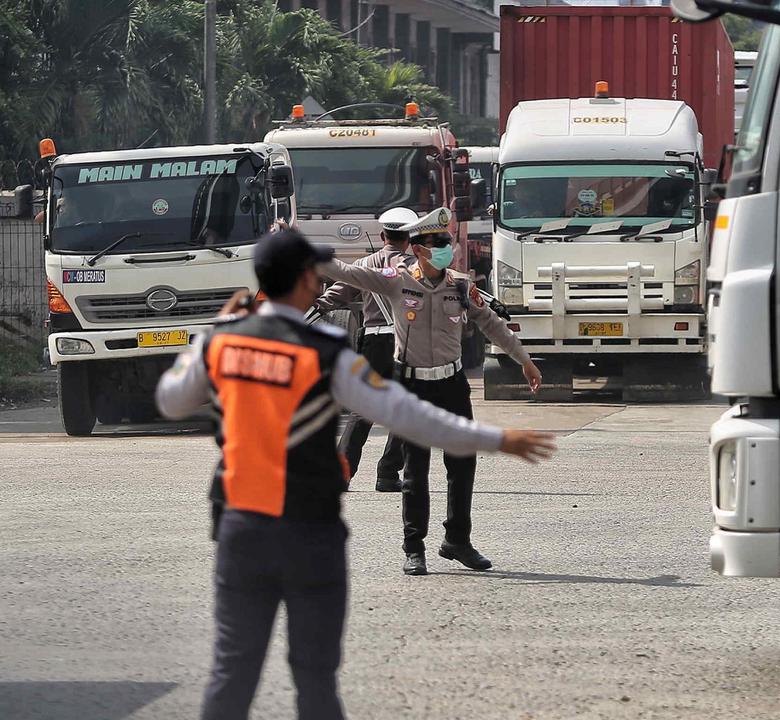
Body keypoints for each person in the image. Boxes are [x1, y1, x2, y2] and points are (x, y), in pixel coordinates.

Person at [155, 228, 556, 720]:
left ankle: (453, 539)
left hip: (242, 526)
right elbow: (404, 413)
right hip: (309, 529)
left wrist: (211, 337)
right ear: (306, 280)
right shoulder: (325, 350)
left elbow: (171, 399)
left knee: (232, 669)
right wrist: (499, 440)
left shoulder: (222, 343)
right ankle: (417, 545)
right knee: (315, 675)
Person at [318, 213, 542, 576]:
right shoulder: (396, 281)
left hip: (452, 385)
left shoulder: (460, 286)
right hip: (412, 386)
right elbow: (345, 272)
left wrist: (524, 360)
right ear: (419, 249)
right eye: (437, 245)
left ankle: (457, 540)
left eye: (447, 243)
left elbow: (493, 326)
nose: (446, 250)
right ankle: (414, 547)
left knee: (461, 464)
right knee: (415, 469)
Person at [312, 208, 416, 492]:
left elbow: (338, 294)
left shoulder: (363, 264)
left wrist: (317, 305)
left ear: (383, 236)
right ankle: (387, 473)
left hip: (372, 341)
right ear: (409, 238)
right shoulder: (416, 266)